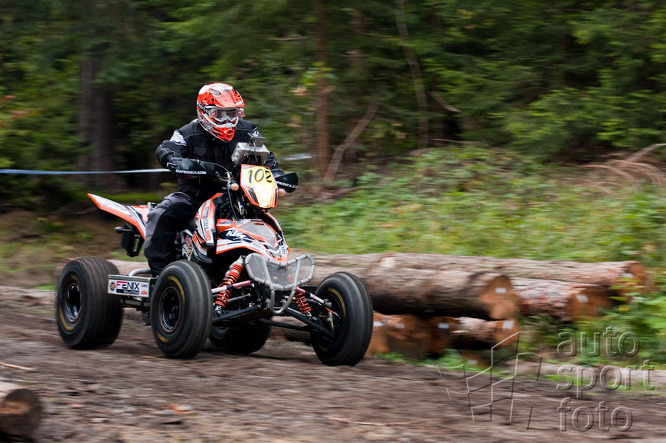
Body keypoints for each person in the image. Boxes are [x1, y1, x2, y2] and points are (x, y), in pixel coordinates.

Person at [144, 82, 281, 277]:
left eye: (232, 113)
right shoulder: (187, 133)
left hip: (237, 199)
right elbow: (166, 148)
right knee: (162, 214)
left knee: (264, 223)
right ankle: (161, 276)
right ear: (204, 111)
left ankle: (269, 272)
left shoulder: (249, 130)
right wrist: (174, 161)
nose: (227, 120)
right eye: (219, 114)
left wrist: (275, 173)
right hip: (195, 197)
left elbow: (266, 156)